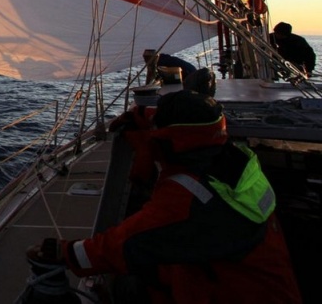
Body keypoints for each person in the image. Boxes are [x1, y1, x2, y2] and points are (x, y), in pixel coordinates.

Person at [29, 89, 302, 303]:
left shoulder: (188, 198)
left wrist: (64, 253)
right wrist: (140, 115)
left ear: (171, 139)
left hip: (226, 294)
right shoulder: (236, 159)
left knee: (128, 285)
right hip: (256, 279)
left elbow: (121, 245)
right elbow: (183, 128)